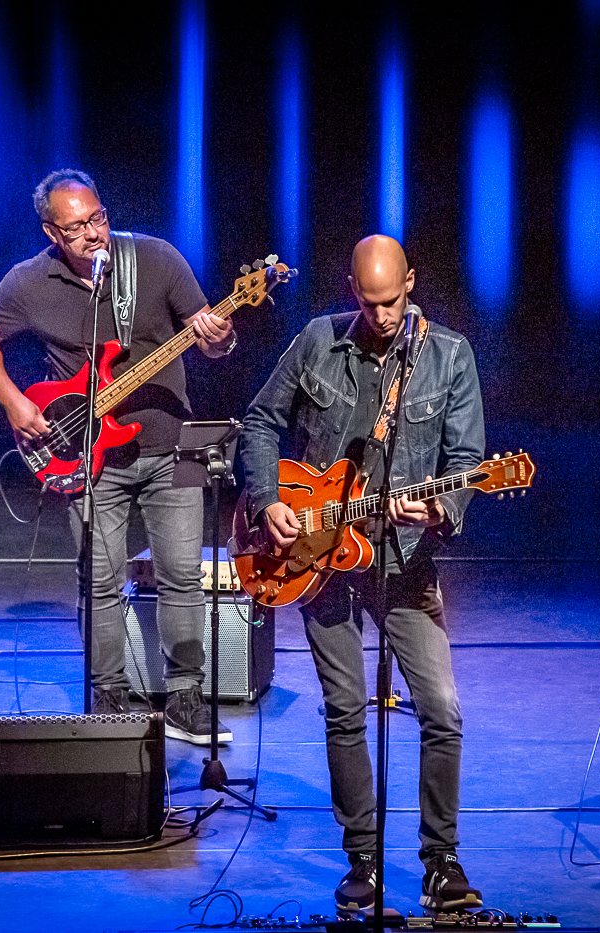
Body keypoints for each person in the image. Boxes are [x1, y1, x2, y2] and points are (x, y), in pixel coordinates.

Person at [238, 235, 486, 912]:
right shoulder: (318, 341)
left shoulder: (449, 354)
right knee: (345, 711)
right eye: (369, 302)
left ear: (411, 282)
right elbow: (259, 421)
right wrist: (268, 501)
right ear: (353, 290)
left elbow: (467, 459)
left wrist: (438, 508)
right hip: (320, 562)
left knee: (441, 709)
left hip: (404, 562)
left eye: (392, 301)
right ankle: (364, 861)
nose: (381, 315)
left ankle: (441, 862)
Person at [0, 169, 235, 745]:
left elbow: (213, 342)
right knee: (99, 579)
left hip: (169, 447)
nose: (93, 233)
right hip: (85, 454)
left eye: (99, 218)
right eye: (77, 226)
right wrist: (13, 401)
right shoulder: (28, 282)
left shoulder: (155, 259)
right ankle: (108, 693)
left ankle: (185, 696)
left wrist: (219, 338)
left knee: (182, 576)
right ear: (51, 232)